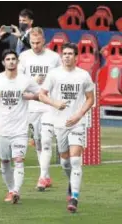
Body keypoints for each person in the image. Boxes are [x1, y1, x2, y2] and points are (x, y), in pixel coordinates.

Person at [39, 43, 95, 213]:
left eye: (70, 54)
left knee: (76, 160)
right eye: (64, 54)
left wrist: (79, 115)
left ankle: (74, 198)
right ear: (61, 56)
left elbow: (90, 99)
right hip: (59, 124)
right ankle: (71, 184)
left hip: (77, 123)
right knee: (65, 161)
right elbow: (41, 95)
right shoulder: (54, 74)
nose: (67, 56)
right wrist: (55, 103)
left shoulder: (84, 76)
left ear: (76, 57)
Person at [0, 49, 40, 203]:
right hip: (2, 129)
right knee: (4, 162)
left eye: (13, 59)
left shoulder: (26, 80)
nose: (11, 61)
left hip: (20, 129)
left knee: (18, 160)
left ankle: (16, 191)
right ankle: (10, 189)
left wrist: (30, 96)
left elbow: (40, 94)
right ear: (3, 62)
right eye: (8, 59)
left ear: (18, 62)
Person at [17, 27, 62, 190]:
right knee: (37, 142)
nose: (35, 46)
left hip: (48, 104)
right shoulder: (24, 57)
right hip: (32, 105)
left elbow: (61, 77)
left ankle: (42, 177)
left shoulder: (54, 57)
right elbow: (18, 80)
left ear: (44, 41)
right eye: (32, 43)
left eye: (38, 42)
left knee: (46, 140)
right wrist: (32, 80)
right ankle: (46, 176)